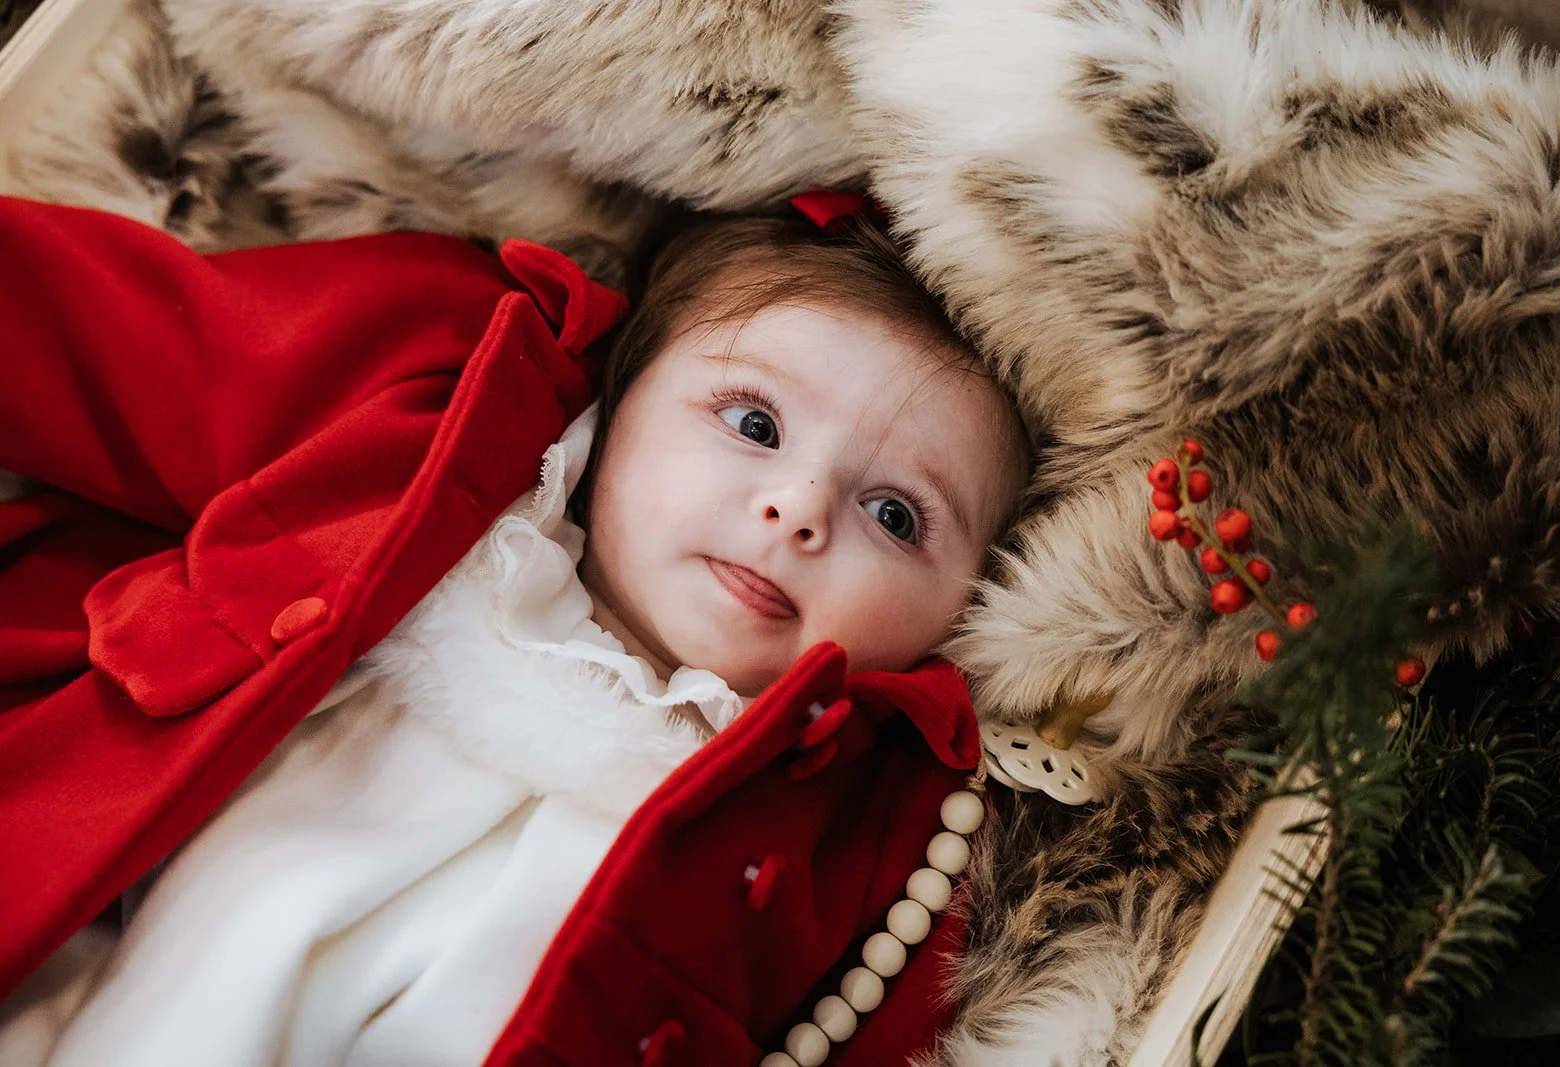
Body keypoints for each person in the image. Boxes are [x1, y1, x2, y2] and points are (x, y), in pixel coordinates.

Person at [0, 194, 1030, 1067]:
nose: (798, 508)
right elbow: (106, 337)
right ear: (626, 388)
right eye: (753, 424)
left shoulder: (890, 849)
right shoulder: (440, 417)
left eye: (895, 516)